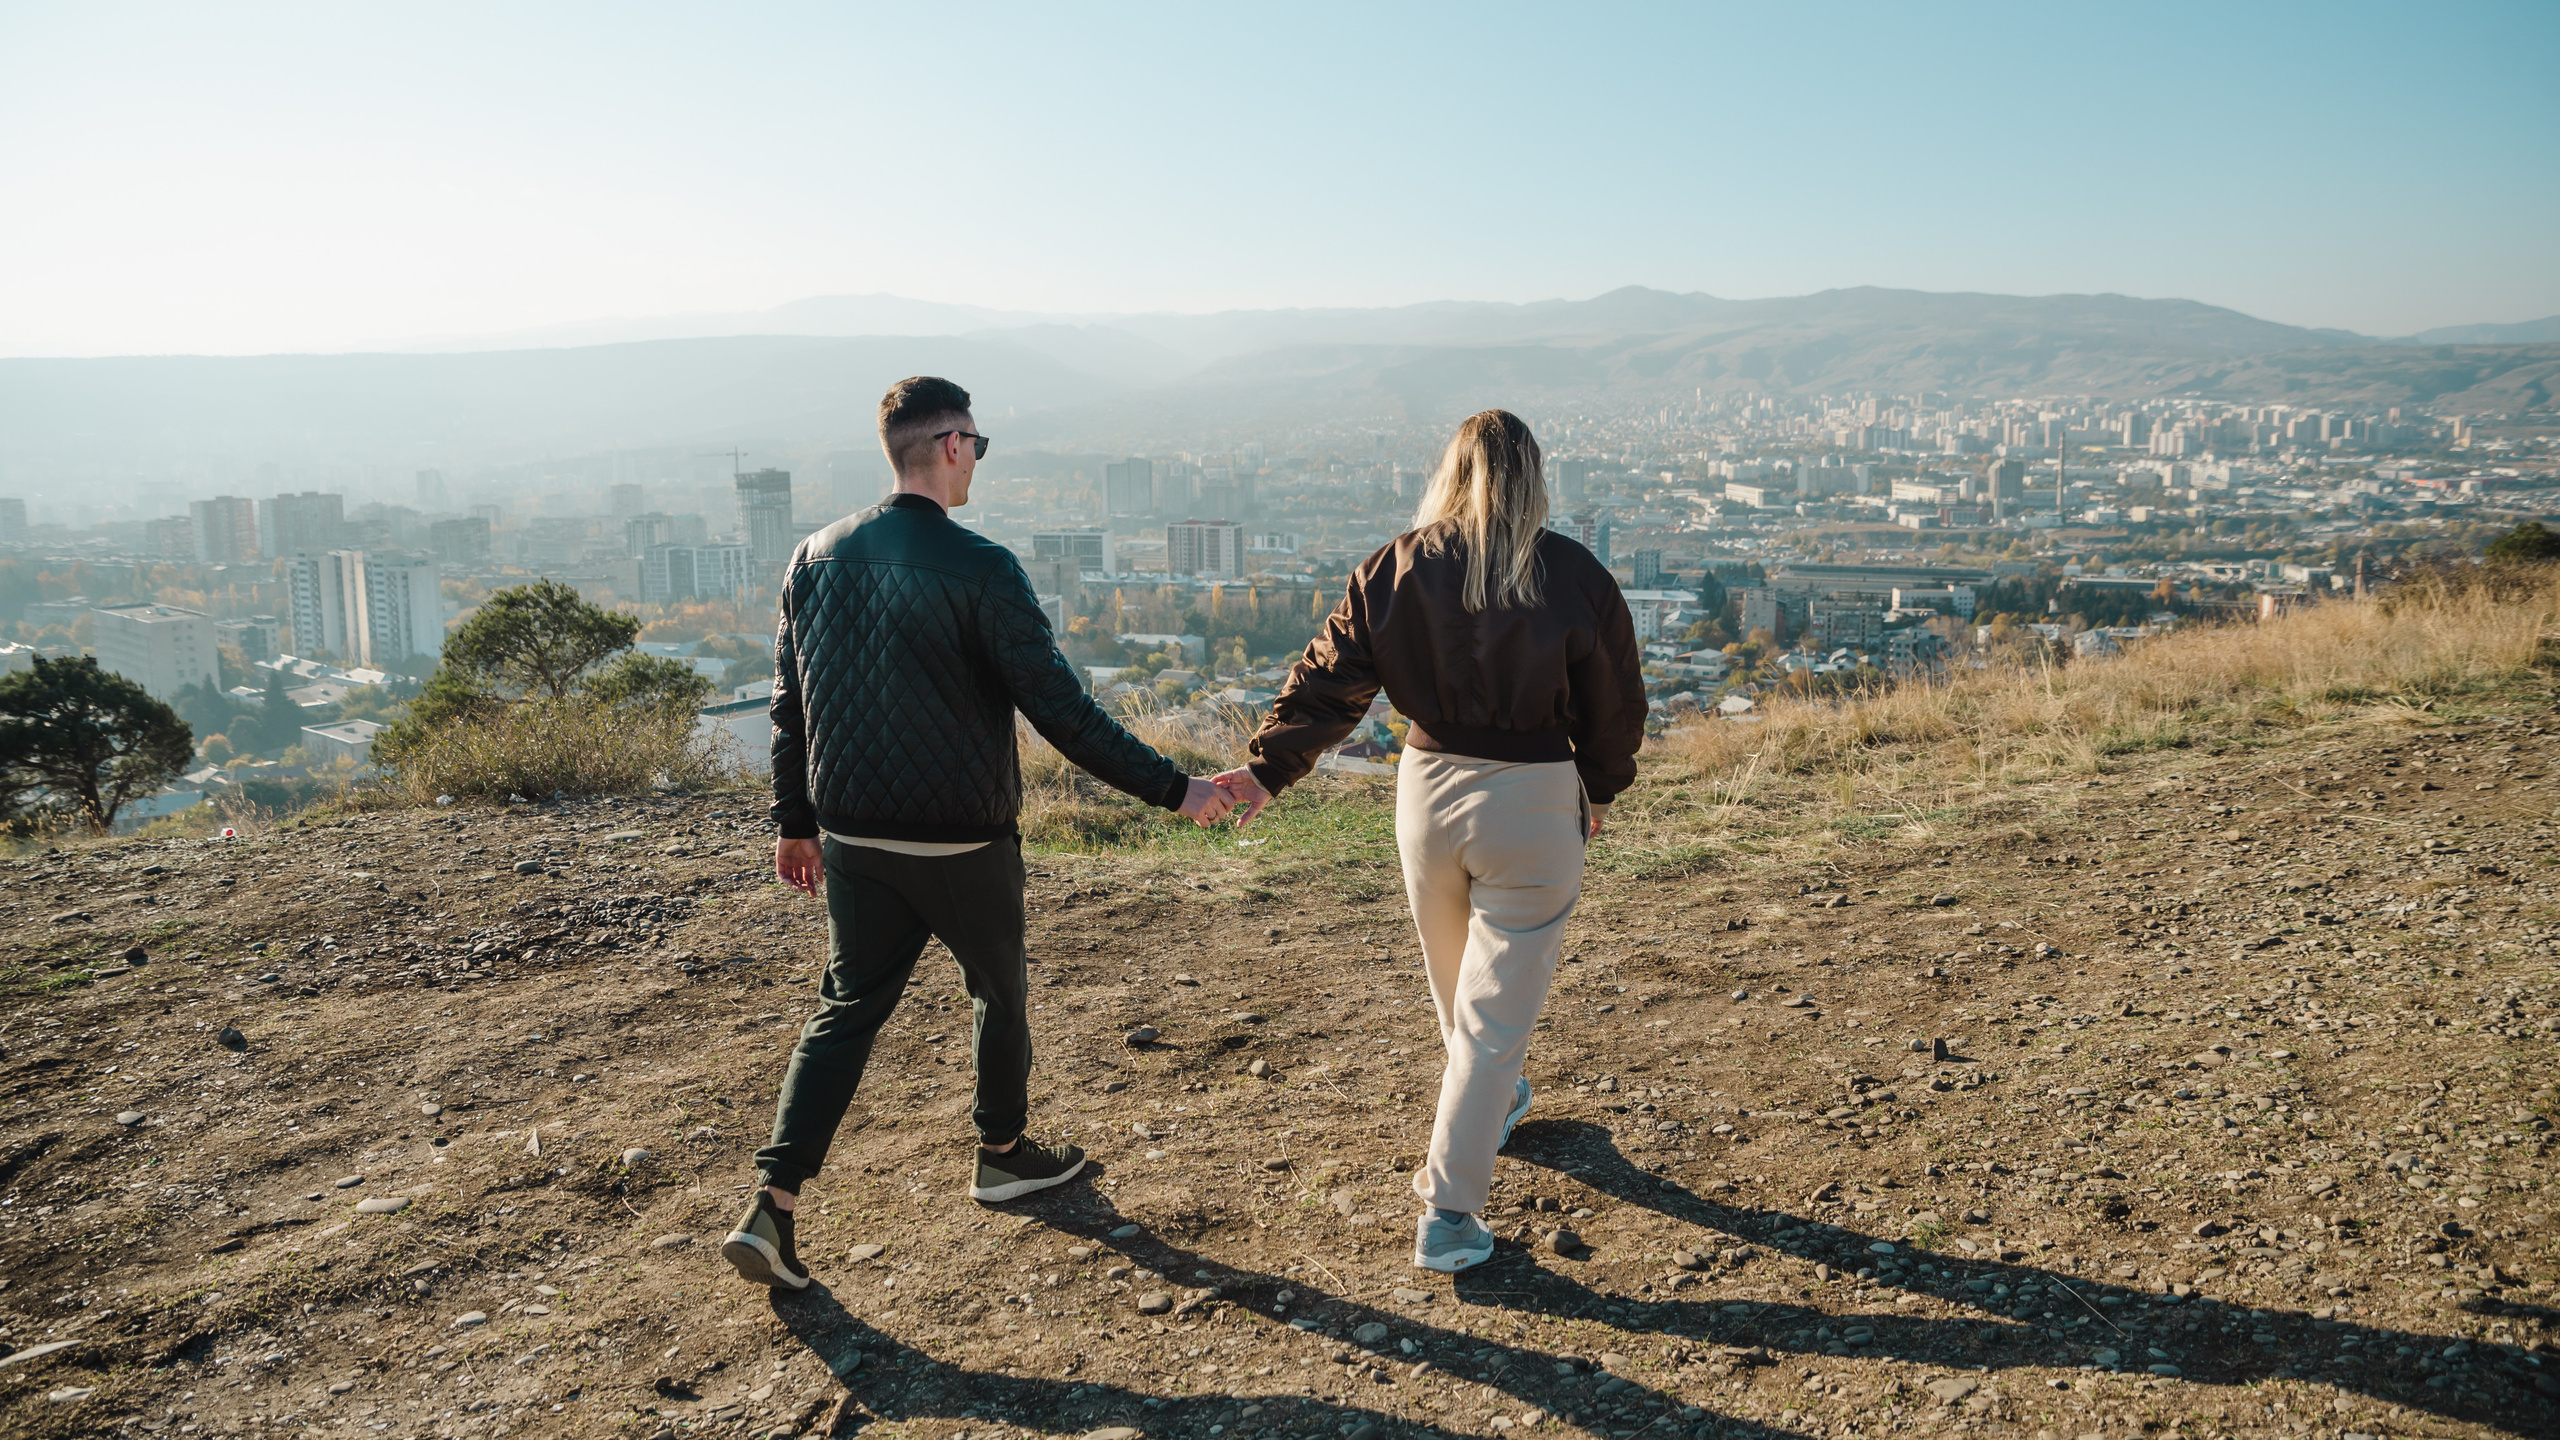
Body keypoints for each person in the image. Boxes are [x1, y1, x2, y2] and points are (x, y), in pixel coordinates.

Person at [722, 375, 1235, 1291]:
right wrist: (1176, 789)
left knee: (846, 1010)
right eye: (979, 447)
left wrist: (794, 823)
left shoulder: (813, 555)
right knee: (997, 993)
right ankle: (1002, 1153)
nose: (977, 465)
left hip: (852, 841)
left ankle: (774, 1202)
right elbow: (1063, 715)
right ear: (952, 444)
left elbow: (786, 710)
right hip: (962, 844)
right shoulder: (984, 568)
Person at [1214, 409, 1642, 1273]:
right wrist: (1597, 787)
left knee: (1458, 993)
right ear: (1534, 478)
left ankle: (1496, 1102)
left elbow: (1327, 683)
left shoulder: (1397, 565)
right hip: (1530, 799)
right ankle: (1448, 1215)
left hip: (1428, 794)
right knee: (1489, 1017)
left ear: (1453, 471)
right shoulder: (1574, 575)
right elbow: (1615, 707)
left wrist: (1265, 772)